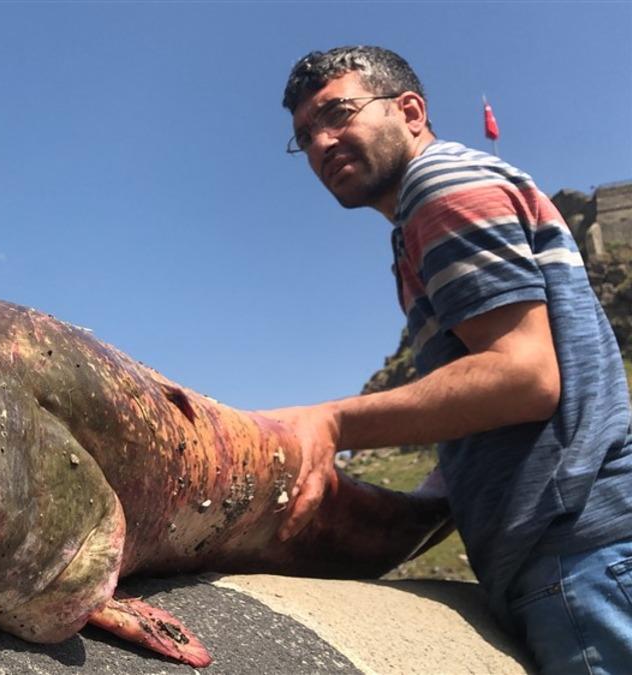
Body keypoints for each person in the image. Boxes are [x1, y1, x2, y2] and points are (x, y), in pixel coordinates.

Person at [269, 45, 632, 673]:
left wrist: (330, 422)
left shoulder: (438, 185)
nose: (322, 142)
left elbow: (523, 376)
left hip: (581, 557)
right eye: (305, 136)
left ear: (409, 110)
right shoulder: (429, 206)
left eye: (338, 114)